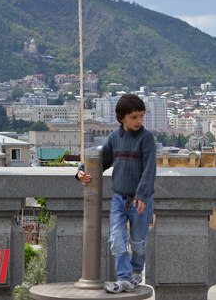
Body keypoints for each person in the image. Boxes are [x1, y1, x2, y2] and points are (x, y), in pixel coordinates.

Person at [76, 93, 157, 294]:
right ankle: (124, 277)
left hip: (140, 200)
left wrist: (142, 195)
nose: (138, 121)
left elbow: (149, 170)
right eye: (134, 117)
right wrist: (81, 171)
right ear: (122, 118)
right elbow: (102, 161)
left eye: (141, 116)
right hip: (119, 198)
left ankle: (136, 272)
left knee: (137, 243)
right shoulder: (114, 138)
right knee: (116, 238)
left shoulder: (146, 139)